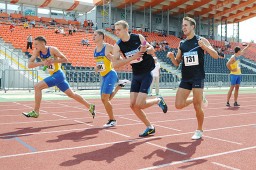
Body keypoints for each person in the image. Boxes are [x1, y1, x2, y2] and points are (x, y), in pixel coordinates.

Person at [112, 20, 168, 137]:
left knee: (140, 104)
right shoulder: (118, 45)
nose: (116, 32)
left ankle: (158, 100)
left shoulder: (138, 37)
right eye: (115, 30)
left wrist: (144, 50)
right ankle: (150, 127)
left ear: (126, 30)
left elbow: (152, 50)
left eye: (119, 29)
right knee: (133, 105)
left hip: (147, 72)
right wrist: (133, 57)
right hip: (136, 74)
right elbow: (115, 64)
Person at [167, 17, 218, 140]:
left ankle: (199, 130)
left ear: (192, 26)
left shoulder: (201, 40)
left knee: (197, 106)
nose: (183, 27)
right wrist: (171, 57)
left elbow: (215, 56)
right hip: (186, 78)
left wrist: (205, 47)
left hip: (197, 77)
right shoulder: (182, 44)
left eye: (185, 25)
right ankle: (198, 98)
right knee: (178, 105)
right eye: (182, 25)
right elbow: (177, 62)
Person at [22, 36, 95, 118]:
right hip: (54, 76)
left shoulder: (52, 49)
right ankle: (90, 106)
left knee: (37, 87)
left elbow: (65, 59)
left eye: (36, 44)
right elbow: (29, 65)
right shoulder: (37, 52)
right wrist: (43, 63)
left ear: (43, 43)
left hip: (58, 75)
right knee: (71, 94)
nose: (34, 46)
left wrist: (53, 61)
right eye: (34, 44)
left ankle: (36, 111)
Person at [93, 30, 130, 127]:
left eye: (95, 35)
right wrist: (96, 68)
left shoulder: (108, 47)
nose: (93, 37)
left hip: (110, 74)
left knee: (105, 98)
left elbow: (120, 59)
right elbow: (100, 64)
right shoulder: (95, 50)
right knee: (104, 99)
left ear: (101, 36)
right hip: (104, 76)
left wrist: (111, 57)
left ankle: (112, 120)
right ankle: (119, 86)